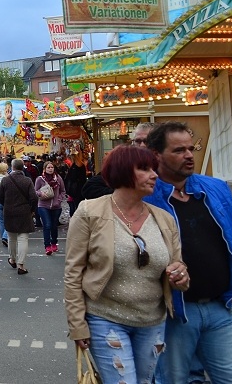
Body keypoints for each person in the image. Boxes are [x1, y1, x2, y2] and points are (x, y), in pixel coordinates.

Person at [64, 145, 189, 383]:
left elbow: (178, 269)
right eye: (144, 169)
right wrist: (77, 324)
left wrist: (180, 276)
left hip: (152, 322)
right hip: (105, 319)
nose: (154, 175)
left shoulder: (164, 219)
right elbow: (73, 272)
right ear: (122, 171)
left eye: (154, 169)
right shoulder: (90, 212)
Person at [145, 122, 232, 383]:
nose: (189, 155)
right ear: (157, 155)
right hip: (175, 313)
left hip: (221, 306)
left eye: (190, 149)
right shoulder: (146, 196)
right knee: (173, 380)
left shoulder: (214, 188)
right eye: (179, 150)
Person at [0, 159, 37, 275]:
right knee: (23, 238)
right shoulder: (27, 180)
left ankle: (12, 259)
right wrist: (32, 210)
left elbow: (0, 197)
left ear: (12, 167)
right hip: (24, 212)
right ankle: (21, 264)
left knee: (11, 237)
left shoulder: (5, 180)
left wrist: (7, 205)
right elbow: (34, 198)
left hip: (9, 211)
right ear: (22, 167)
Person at [35, 160, 66, 255]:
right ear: (44, 169)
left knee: (53, 226)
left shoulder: (58, 178)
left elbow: (63, 191)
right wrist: (40, 194)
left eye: (52, 167)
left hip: (56, 206)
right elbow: (35, 190)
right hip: (43, 205)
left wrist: (59, 199)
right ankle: (47, 246)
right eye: (48, 167)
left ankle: (54, 242)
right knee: (47, 225)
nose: (50, 169)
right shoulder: (40, 179)